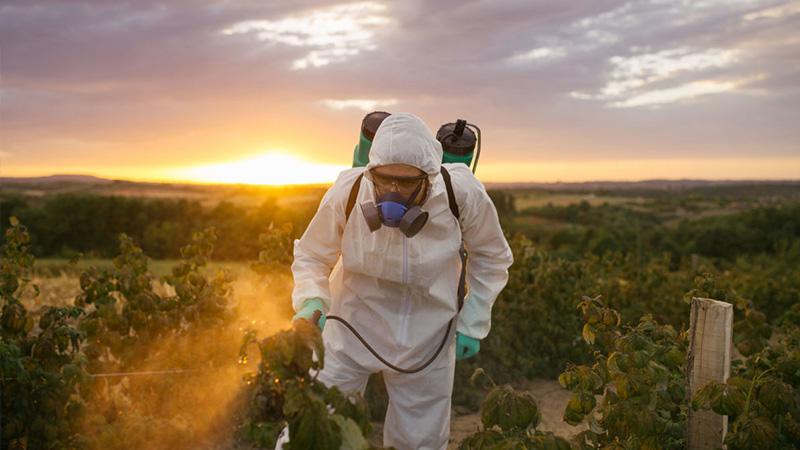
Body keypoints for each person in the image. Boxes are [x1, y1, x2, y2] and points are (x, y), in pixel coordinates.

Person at [287, 112, 513, 449]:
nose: (393, 190)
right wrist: (311, 298)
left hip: (428, 335)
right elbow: (312, 255)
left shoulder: (460, 193)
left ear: (430, 176)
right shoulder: (349, 190)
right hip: (351, 327)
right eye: (384, 179)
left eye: (406, 182)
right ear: (371, 170)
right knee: (315, 423)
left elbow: (492, 256)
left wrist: (474, 318)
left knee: (419, 441)